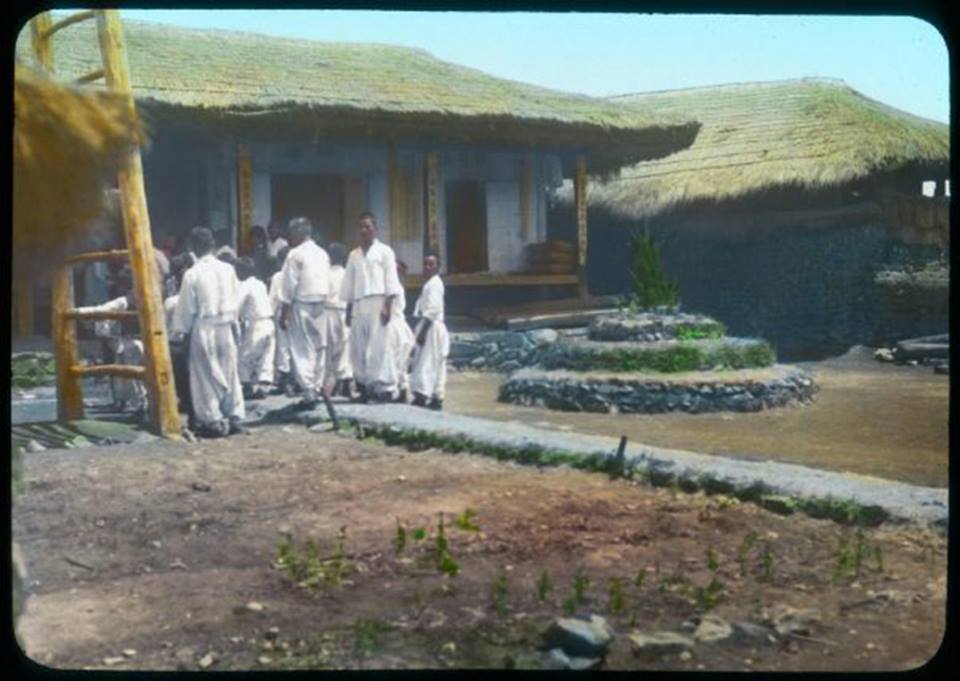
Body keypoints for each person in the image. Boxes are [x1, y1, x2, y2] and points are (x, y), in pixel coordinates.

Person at [169, 226, 246, 438]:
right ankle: (235, 415)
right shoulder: (228, 269)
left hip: (205, 327)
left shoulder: (193, 274)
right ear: (212, 245)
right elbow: (236, 298)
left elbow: (186, 308)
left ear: (193, 247)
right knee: (229, 372)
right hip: (227, 324)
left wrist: (180, 332)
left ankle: (212, 420)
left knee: (205, 376)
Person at [340, 211, 404, 402]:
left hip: (379, 301)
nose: (364, 230)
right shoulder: (354, 255)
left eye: (367, 226)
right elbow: (348, 283)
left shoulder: (385, 251)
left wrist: (387, 305)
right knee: (358, 346)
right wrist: (348, 309)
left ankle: (384, 388)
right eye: (361, 227)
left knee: (379, 346)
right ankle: (363, 386)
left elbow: (391, 279)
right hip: (359, 303)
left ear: (375, 229)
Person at [278, 217, 331, 407]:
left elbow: (289, 285)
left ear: (297, 234)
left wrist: (284, 311)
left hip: (302, 303)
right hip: (321, 303)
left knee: (302, 349)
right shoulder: (322, 253)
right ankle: (316, 386)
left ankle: (309, 391)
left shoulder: (295, 254)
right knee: (319, 347)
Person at [409, 251, 450, 410]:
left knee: (427, 361)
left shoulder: (434, 284)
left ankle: (422, 395)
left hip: (431, 326)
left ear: (438, 267)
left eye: (431, 264)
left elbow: (432, 310)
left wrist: (423, 332)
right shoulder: (430, 284)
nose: (427, 267)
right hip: (429, 325)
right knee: (434, 362)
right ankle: (436, 396)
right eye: (425, 264)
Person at [235, 256, 276, 400]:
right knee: (266, 356)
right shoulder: (260, 284)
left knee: (245, 356)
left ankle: (246, 386)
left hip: (256, 323)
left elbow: (237, 305)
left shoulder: (245, 285)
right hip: (269, 322)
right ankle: (264, 387)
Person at [164, 253, 195, 424]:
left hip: (176, 342)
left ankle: (187, 405)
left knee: (180, 379)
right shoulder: (188, 300)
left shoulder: (171, 301)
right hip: (189, 341)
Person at [324, 242, 354, 398]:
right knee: (345, 347)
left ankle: (330, 381)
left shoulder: (325, 274)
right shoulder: (347, 274)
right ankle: (344, 380)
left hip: (328, 312)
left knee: (329, 348)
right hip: (343, 312)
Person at [383, 260, 415, 403]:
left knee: (396, 359)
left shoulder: (393, 287)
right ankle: (402, 389)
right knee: (400, 360)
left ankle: (397, 390)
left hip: (395, 325)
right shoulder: (397, 287)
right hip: (399, 325)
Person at [268, 246, 295, 396]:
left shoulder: (278, 277)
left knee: (283, 347)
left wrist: (271, 314)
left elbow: (273, 299)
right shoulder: (298, 274)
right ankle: (296, 380)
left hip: (282, 312)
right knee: (296, 346)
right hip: (297, 312)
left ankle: (285, 381)